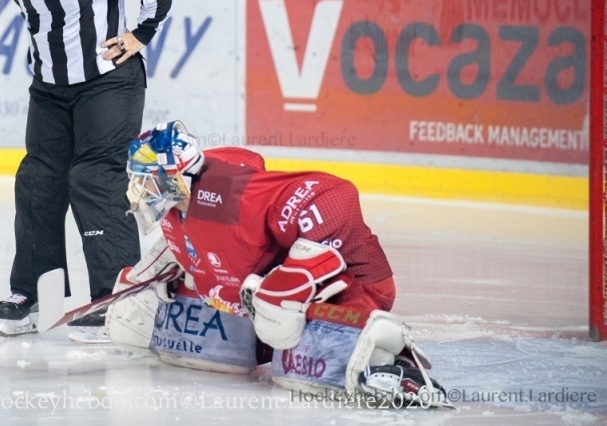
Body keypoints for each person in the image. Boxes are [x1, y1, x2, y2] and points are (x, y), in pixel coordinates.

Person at [104, 121, 449, 407]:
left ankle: (393, 365)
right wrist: (174, 271)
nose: (138, 191)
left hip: (352, 285)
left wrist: (296, 276)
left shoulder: (231, 195)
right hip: (253, 307)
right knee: (153, 329)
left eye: (145, 179)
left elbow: (335, 195)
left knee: (277, 313)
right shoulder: (176, 208)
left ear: (176, 177)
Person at [0, 0, 181, 339]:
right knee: (38, 179)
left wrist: (140, 35)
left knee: (94, 177)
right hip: (50, 89)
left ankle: (117, 298)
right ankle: (34, 291)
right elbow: (36, 14)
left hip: (109, 84)